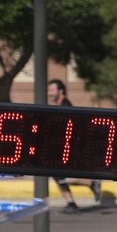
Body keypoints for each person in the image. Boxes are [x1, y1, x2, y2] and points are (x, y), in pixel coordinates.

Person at [47, 79, 101, 213]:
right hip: (60, 148)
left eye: (52, 90)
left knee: (61, 177)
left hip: (68, 148)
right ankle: (71, 203)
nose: (50, 93)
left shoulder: (66, 106)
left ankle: (92, 183)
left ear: (61, 91)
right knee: (57, 176)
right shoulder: (58, 106)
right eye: (49, 90)